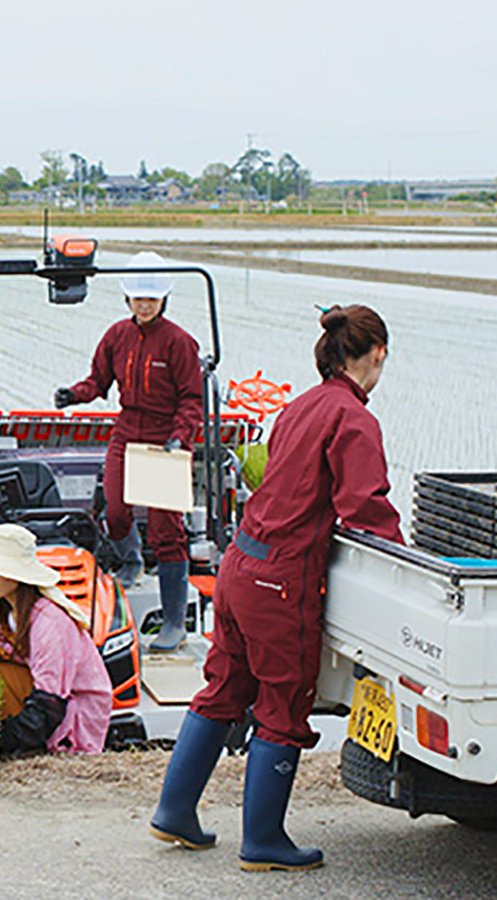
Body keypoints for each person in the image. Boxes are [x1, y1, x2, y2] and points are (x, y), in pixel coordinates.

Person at [149, 304, 405, 872]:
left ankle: (174, 812)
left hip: (241, 564)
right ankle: (263, 841)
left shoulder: (300, 406)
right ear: (377, 355)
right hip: (280, 582)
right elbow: (365, 508)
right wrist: (405, 562)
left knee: (220, 689)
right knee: (283, 705)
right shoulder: (354, 419)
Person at [54, 251, 203, 653]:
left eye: (151, 299)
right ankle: (131, 560)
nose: (145, 304)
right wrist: (73, 395)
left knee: (165, 530)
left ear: (164, 300)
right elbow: (98, 381)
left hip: (163, 438)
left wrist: (179, 437)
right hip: (126, 431)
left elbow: (193, 399)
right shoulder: (117, 336)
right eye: (138, 298)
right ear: (127, 300)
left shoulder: (178, 342)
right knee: (116, 511)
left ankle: (174, 622)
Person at [0, 523, 112, 755]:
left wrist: (1, 739)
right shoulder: (4, 609)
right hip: (35, 690)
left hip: (72, 710)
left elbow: (50, 703)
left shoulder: (49, 623)